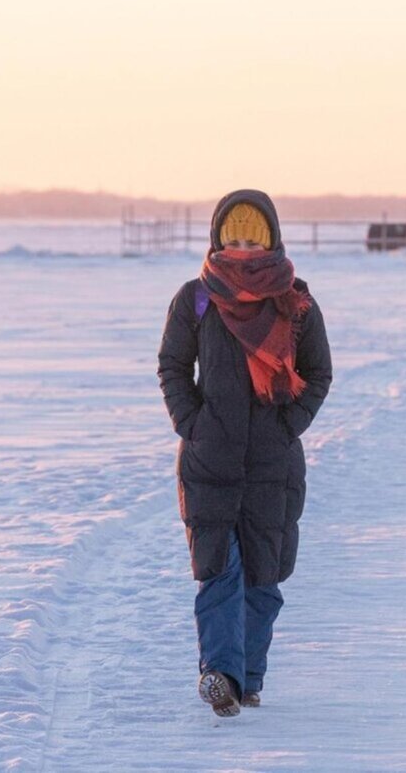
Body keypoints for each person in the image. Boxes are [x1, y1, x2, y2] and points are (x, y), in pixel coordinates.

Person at [158, 189, 332, 717]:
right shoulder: (195, 298)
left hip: (272, 465)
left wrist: (287, 426)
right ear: (216, 237)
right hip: (209, 460)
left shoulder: (295, 303)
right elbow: (172, 367)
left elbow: (318, 374)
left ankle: (247, 678)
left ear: (272, 240)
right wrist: (194, 423)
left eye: (252, 238)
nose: (240, 248)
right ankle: (221, 677)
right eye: (232, 236)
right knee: (220, 571)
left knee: (263, 579)